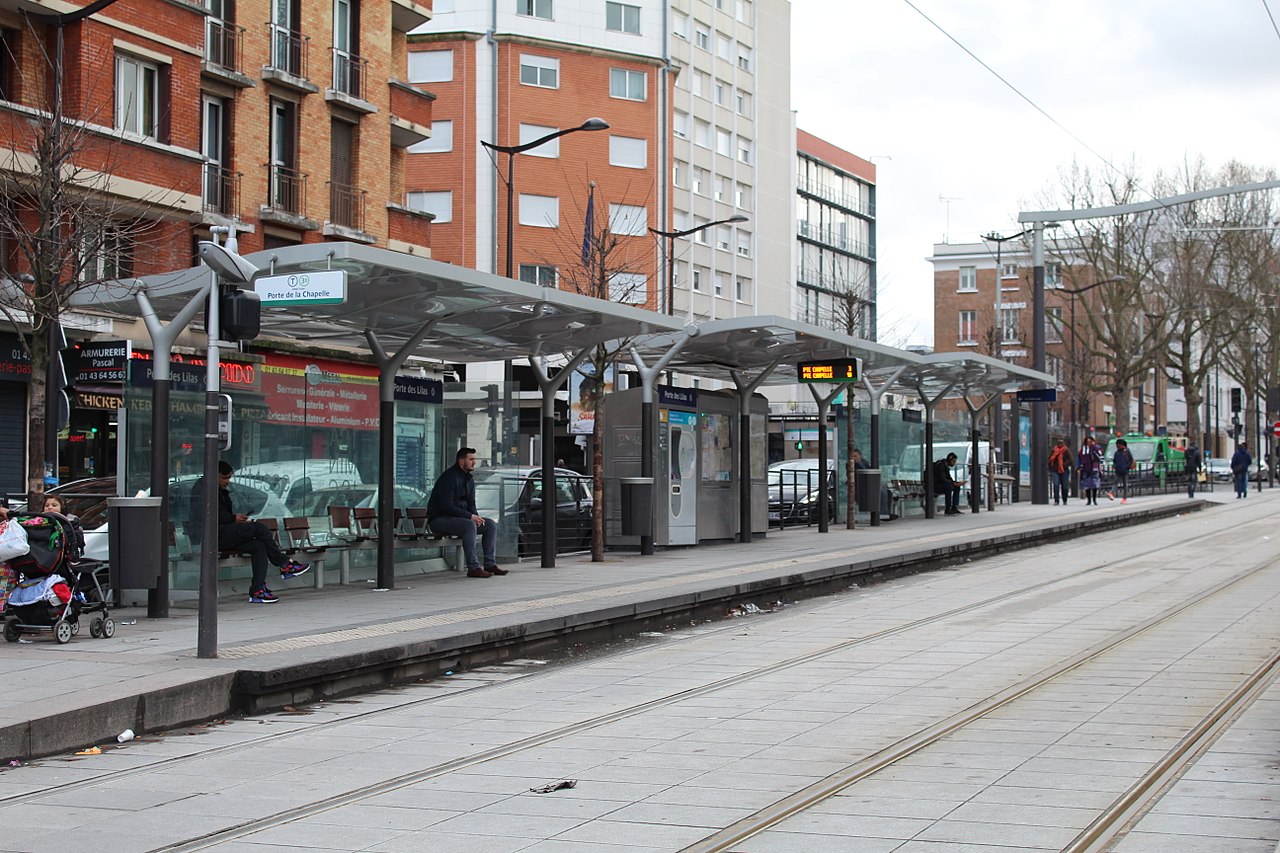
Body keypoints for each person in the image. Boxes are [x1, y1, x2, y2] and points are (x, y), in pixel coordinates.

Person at [191, 461, 310, 604]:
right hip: (212, 537)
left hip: (223, 533)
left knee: (258, 546)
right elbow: (209, 515)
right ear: (213, 475)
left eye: (229, 478)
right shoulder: (203, 489)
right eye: (224, 478)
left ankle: (258, 590)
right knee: (259, 528)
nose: (227, 481)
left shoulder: (219, 489)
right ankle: (284, 564)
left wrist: (235, 520)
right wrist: (233, 518)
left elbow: (221, 514)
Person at [428, 447, 505, 578]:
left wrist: (476, 517)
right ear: (461, 461)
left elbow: (471, 504)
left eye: (474, 459)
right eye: (471, 459)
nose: (474, 462)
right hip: (439, 520)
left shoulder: (469, 479)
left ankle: (490, 564)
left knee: (490, 524)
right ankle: (473, 568)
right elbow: (446, 506)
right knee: (469, 525)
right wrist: (470, 516)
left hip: (459, 519)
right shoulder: (448, 478)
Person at [1077, 436, 1103, 505]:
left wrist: (1094, 446)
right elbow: (1079, 458)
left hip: (1094, 468)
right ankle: (1089, 500)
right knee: (1087, 485)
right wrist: (1078, 467)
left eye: (1090, 442)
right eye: (1087, 442)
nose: (1088, 443)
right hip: (1085, 468)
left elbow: (1100, 454)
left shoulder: (1096, 448)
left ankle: (1094, 499)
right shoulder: (1083, 449)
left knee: (1094, 485)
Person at [1048, 438, 1073, 505]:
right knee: (1056, 484)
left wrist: (1063, 465)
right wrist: (1051, 467)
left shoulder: (1066, 450)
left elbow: (1070, 460)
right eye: (1059, 443)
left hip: (1064, 470)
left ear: (1063, 443)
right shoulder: (1054, 450)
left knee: (1064, 486)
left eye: (1061, 443)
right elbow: (1050, 459)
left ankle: (1065, 499)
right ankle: (1056, 501)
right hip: (1055, 470)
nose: (1060, 444)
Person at [1110, 439, 1134, 503]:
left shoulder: (1126, 451)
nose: (1117, 446)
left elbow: (1131, 460)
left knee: (1125, 484)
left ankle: (1124, 498)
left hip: (1125, 470)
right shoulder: (1116, 453)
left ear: (1122, 445)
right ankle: (1112, 493)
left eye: (1118, 445)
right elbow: (1114, 461)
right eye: (1116, 445)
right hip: (1118, 470)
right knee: (1115, 482)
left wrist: (1127, 467)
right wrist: (1115, 466)